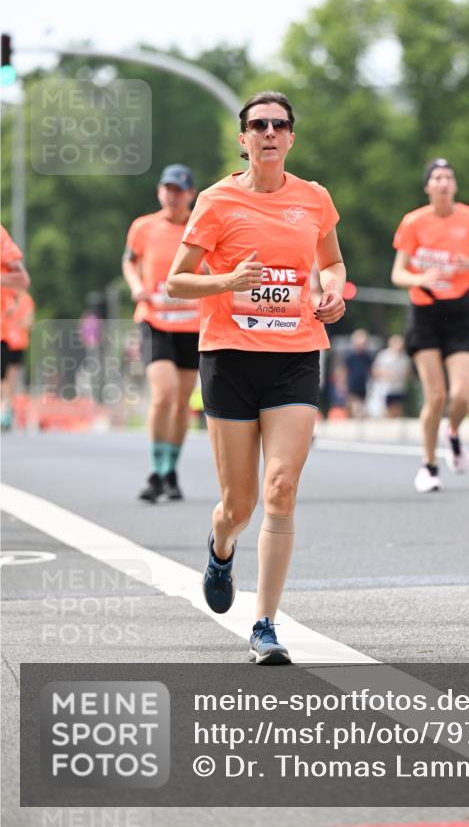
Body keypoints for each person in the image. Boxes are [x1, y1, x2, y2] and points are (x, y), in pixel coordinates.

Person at [167, 91, 346, 665]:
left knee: (282, 487)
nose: (269, 132)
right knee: (238, 505)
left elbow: (331, 262)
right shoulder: (216, 201)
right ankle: (221, 547)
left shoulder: (314, 198)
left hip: (295, 354)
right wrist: (228, 282)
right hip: (230, 358)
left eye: (279, 124)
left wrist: (333, 290)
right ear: (242, 138)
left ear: (292, 137)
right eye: (258, 125)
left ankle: (265, 624)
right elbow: (176, 281)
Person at [391, 158, 469, 491]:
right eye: (437, 177)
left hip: (459, 311)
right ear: (428, 186)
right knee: (436, 396)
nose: (443, 182)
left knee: (462, 396)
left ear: (454, 185)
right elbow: (398, 274)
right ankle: (429, 466)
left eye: (449, 177)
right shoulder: (413, 222)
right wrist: (420, 278)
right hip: (424, 311)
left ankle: (452, 432)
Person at [122, 165, 201, 502]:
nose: (173, 196)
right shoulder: (144, 227)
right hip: (154, 320)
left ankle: (171, 470)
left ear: (191, 194)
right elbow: (129, 261)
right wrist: (136, 285)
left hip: (192, 323)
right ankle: (155, 470)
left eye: (179, 190)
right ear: (159, 192)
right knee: (164, 394)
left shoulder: (202, 226)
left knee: (181, 402)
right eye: (167, 189)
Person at [1, 226, 30, 422]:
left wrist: (15, 321)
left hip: (14, 340)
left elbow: (22, 279)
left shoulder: (25, 300)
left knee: (8, 378)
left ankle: (6, 408)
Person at [1, 289, 35, 430]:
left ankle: (8, 408)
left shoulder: (25, 299)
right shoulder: (3, 295)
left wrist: (15, 318)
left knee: (13, 378)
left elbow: (29, 321)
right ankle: (4, 407)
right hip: (4, 341)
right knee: (3, 378)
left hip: (18, 343)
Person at [372, 334, 412, 418]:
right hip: (386, 389)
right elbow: (375, 370)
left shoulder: (405, 358)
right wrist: (387, 374)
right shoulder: (384, 356)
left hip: (399, 388)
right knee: (388, 411)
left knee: (398, 409)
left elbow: (408, 372)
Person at [344, 328, 374, 418]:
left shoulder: (367, 356)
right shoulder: (349, 356)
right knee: (354, 408)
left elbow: (370, 370)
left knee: (361, 409)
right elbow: (344, 370)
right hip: (352, 385)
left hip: (364, 386)